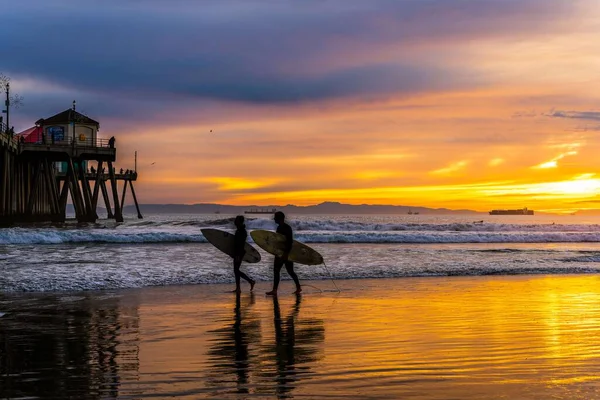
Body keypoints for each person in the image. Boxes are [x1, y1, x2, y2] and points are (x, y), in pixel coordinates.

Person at [266, 211, 301, 296]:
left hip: (286, 253)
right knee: (279, 270)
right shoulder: (279, 228)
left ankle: (297, 288)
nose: (274, 219)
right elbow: (278, 241)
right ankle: (275, 290)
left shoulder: (287, 228)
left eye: (275, 217)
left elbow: (289, 242)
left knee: (288, 271)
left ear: (279, 218)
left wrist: (286, 254)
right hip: (280, 252)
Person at [232, 215, 255, 293]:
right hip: (237, 253)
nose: (235, 222)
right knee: (236, 270)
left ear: (239, 222)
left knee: (236, 270)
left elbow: (241, 244)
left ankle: (250, 281)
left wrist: (238, 255)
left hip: (239, 253)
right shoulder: (239, 230)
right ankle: (238, 288)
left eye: (236, 220)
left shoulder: (242, 232)